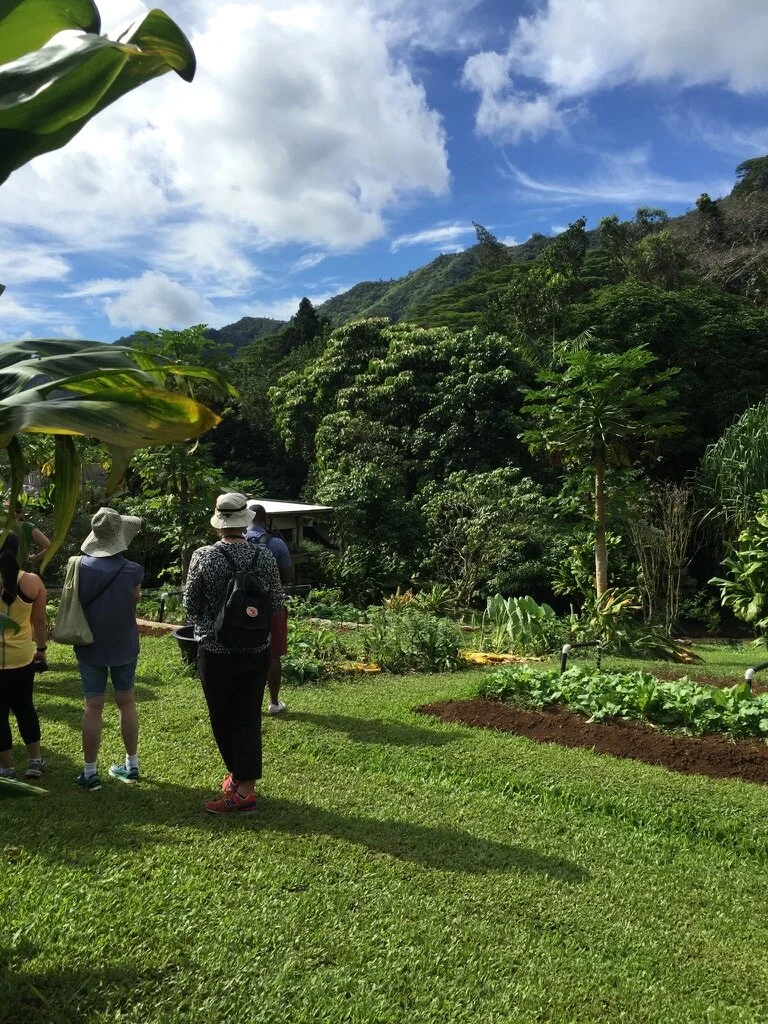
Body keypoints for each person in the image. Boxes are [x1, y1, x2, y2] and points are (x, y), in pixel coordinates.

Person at [184, 492, 285, 815]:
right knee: (247, 716)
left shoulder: (203, 557)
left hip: (216, 650)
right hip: (257, 649)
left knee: (223, 716)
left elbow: (190, 606)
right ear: (245, 521)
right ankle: (242, 781)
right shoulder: (265, 556)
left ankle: (243, 790)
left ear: (219, 522)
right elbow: (278, 603)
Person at [74, 508, 143, 792]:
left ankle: (90, 773)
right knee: (126, 702)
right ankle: (132, 764)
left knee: (93, 706)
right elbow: (134, 599)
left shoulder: (79, 566)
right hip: (125, 643)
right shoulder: (133, 569)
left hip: (90, 644)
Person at [0, 533, 48, 780]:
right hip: (22, 658)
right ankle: (35, 762)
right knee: (25, 708)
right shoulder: (32, 581)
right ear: (18, 551)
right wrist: (41, 650)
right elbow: (39, 620)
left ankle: (6, 769)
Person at [246, 501, 292, 716]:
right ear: (265, 520)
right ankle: (273, 702)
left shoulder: (236, 541)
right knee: (273, 656)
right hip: (272, 605)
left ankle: (247, 702)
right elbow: (287, 577)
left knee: (243, 652)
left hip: (241, 608)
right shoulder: (276, 544)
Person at [8, 507, 50, 572]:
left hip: (23, 569)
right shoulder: (5, 526)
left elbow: (49, 546)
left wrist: (35, 558)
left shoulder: (28, 527)